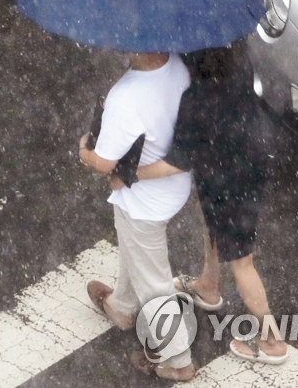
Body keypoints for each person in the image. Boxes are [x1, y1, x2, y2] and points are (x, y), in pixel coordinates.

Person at [135, 45, 289, 365]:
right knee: (215, 228)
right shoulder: (237, 58)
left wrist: (131, 173)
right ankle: (208, 286)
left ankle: (272, 342)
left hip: (228, 174)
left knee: (242, 262)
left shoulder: (196, 98)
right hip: (242, 157)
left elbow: (175, 163)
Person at [78, 51, 196, 382]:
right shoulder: (178, 66)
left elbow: (104, 161)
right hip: (171, 185)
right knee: (131, 244)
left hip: (143, 199)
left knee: (155, 284)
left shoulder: (125, 96)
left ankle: (177, 359)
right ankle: (122, 306)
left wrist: (83, 149)